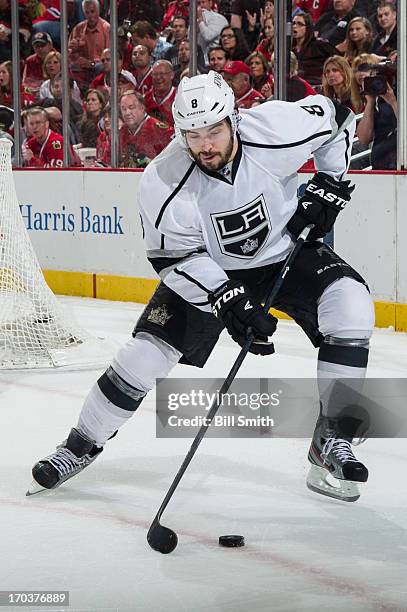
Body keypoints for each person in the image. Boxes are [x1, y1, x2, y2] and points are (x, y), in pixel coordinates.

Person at [29, 71, 374, 505]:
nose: (205, 144)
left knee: (352, 306)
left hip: (282, 251)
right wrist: (226, 298)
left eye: (214, 130)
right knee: (142, 357)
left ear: (234, 118)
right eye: (193, 135)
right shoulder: (162, 180)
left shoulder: (274, 129)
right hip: (208, 270)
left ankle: (332, 438)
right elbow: (173, 259)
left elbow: (338, 118)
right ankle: (77, 447)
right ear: (179, 133)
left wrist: (330, 182)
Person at [118, 90, 174, 167]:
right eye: (123, 109)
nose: (127, 113)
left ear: (142, 108)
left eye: (131, 107)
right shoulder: (120, 133)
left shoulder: (162, 131)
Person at [356, 67, 397, 170]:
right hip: (380, 165)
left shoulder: (401, 97)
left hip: (400, 165)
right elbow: (363, 138)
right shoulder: (377, 103)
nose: (377, 83)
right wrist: (370, 102)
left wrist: (393, 102)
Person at [68, 0, 110, 93]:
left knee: (100, 66)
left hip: (99, 65)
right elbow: (69, 54)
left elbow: (109, 57)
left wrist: (91, 64)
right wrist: (76, 56)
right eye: (87, 12)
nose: (90, 16)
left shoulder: (106, 28)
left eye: (92, 11)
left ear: (98, 11)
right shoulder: (78, 29)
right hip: (82, 67)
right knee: (71, 66)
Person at [292, 12, 336, 88]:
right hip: (296, 85)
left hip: (316, 85)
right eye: (293, 23)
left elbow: (337, 60)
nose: (295, 26)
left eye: (300, 24)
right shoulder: (290, 50)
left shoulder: (319, 45)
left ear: (308, 28)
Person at [144, 60, 177, 126]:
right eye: (155, 74)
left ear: (172, 75)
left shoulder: (179, 97)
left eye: (162, 74)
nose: (158, 77)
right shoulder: (144, 99)